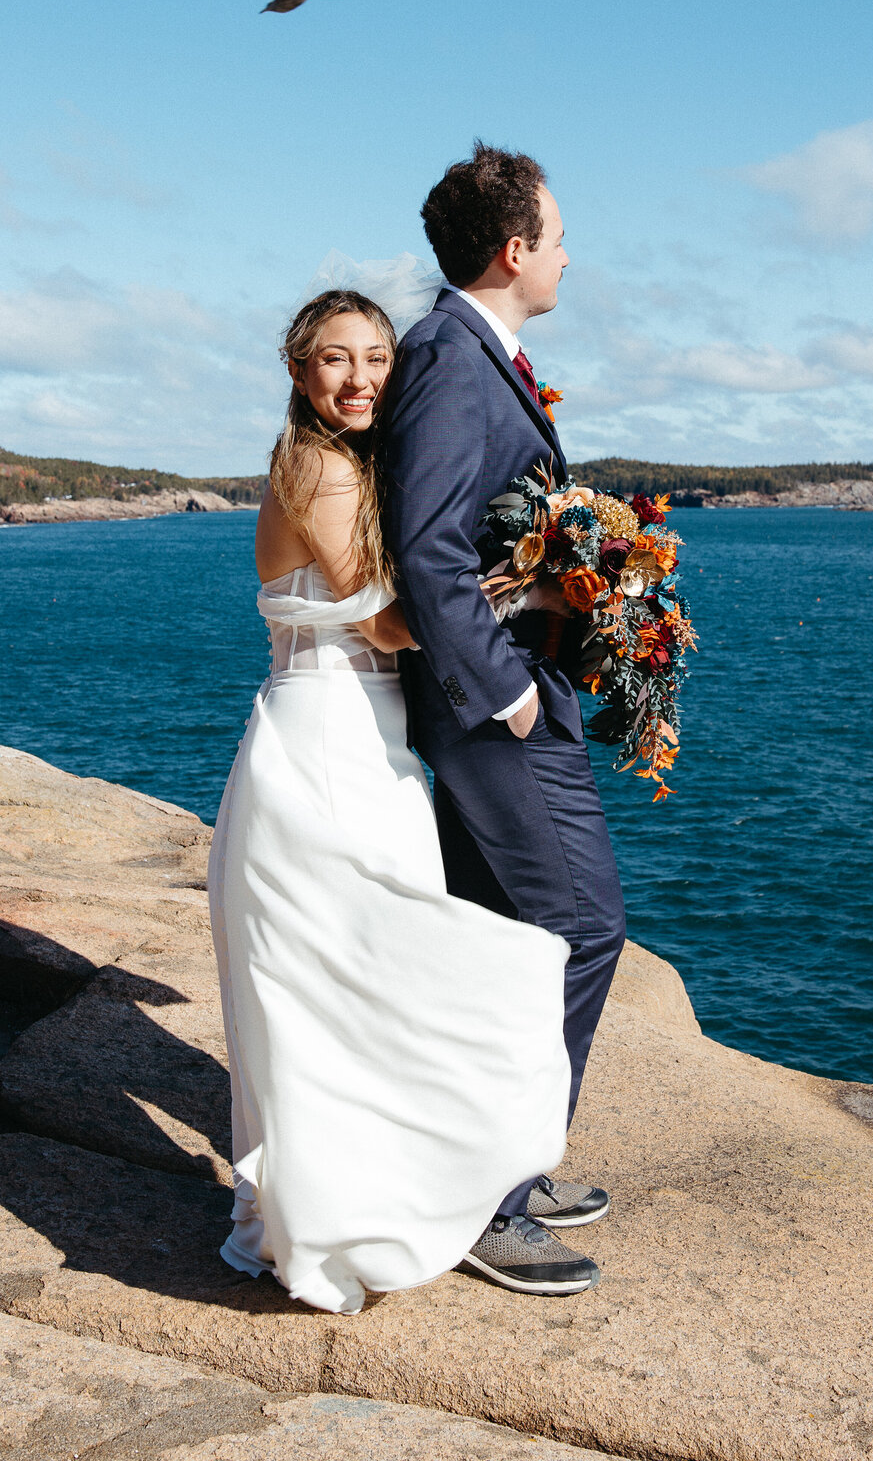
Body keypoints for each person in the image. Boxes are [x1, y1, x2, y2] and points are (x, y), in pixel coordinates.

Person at [208, 287, 573, 1315]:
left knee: (364, 982)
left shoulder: (359, 464)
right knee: (351, 981)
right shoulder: (316, 465)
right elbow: (390, 624)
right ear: (298, 372)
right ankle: (344, 1216)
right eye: (335, 359)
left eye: (376, 357)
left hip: (370, 749)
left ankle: (382, 1196)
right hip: (323, 751)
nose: (361, 378)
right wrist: (532, 587)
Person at [383, 143, 628, 1295]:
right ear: (516, 247)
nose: (573, 255)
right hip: (497, 714)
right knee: (580, 927)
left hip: (514, 695)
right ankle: (490, 1198)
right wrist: (512, 687)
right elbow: (427, 544)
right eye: (563, 235)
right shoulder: (448, 355)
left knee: (500, 940)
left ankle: (494, 1167)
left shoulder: (484, 355)